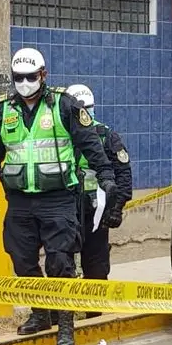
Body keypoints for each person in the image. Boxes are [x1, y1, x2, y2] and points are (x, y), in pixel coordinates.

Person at [0, 48, 117, 345]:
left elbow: (91, 144)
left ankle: (65, 325)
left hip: (58, 199)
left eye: (31, 77)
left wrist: (106, 175)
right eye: (19, 78)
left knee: (60, 262)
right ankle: (40, 314)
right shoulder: (4, 111)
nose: (25, 82)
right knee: (21, 260)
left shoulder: (64, 106)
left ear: (44, 75)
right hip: (19, 202)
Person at [66, 84, 133, 320]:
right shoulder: (62, 136)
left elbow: (123, 174)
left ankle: (94, 314)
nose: (85, 114)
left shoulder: (106, 136)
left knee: (96, 266)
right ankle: (62, 314)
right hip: (65, 209)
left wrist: (117, 208)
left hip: (97, 211)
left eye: (89, 108)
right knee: (61, 263)